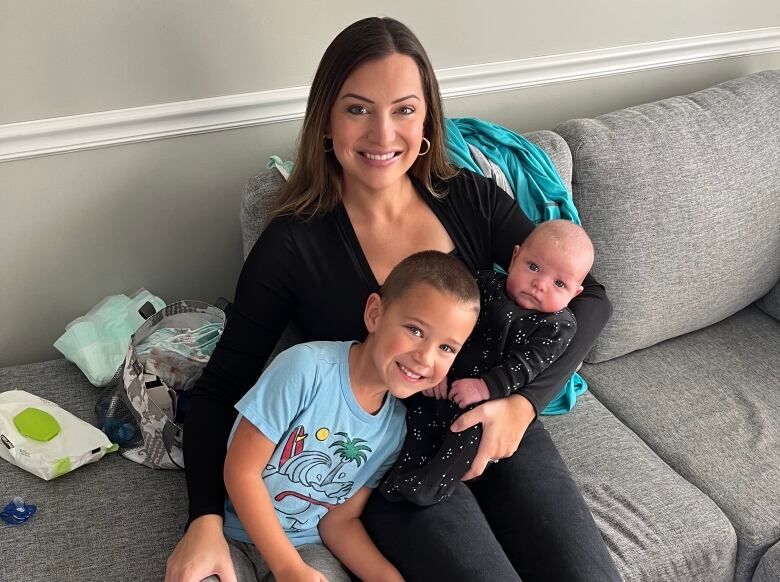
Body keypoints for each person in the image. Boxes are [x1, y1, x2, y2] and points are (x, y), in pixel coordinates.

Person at [166, 16, 621, 582]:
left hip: (488, 420)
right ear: (326, 122)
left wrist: (522, 405)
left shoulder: (469, 198)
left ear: (426, 117)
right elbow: (221, 388)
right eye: (358, 109)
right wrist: (204, 517)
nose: (384, 135)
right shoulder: (293, 244)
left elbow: (590, 297)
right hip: (385, 464)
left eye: (403, 109)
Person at [209, 251, 479, 582]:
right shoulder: (304, 369)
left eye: (447, 348)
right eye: (415, 330)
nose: (425, 357)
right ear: (375, 314)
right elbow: (240, 471)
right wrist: (288, 568)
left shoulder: (394, 430)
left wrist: (388, 578)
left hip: (306, 548)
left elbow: (339, 521)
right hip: (232, 533)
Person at [380, 219, 595, 506]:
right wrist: (437, 369)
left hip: (488, 401)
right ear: (515, 256)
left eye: (559, 283)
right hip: (446, 377)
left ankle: (429, 487)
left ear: (575, 293)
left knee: (465, 436)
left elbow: (525, 366)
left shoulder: (557, 326)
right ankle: (395, 476)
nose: (539, 285)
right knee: (417, 421)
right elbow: (449, 328)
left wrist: (485, 387)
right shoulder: (483, 285)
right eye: (533, 267)